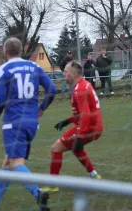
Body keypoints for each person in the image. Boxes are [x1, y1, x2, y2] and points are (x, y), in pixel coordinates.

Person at [0, 37, 56, 211]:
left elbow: (0, 99)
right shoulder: (34, 67)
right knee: (8, 162)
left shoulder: (4, 69)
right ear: (20, 51)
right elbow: (52, 89)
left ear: (5, 51)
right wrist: (41, 108)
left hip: (13, 123)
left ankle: (38, 193)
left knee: (15, 163)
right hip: (31, 123)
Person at [42, 61, 103, 193]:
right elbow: (84, 112)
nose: (63, 74)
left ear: (74, 74)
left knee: (56, 148)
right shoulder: (83, 85)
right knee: (75, 148)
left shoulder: (79, 89)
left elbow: (85, 114)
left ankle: (53, 185)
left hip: (89, 127)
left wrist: (80, 135)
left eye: (65, 71)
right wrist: (67, 121)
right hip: (95, 126)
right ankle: (94, 175)